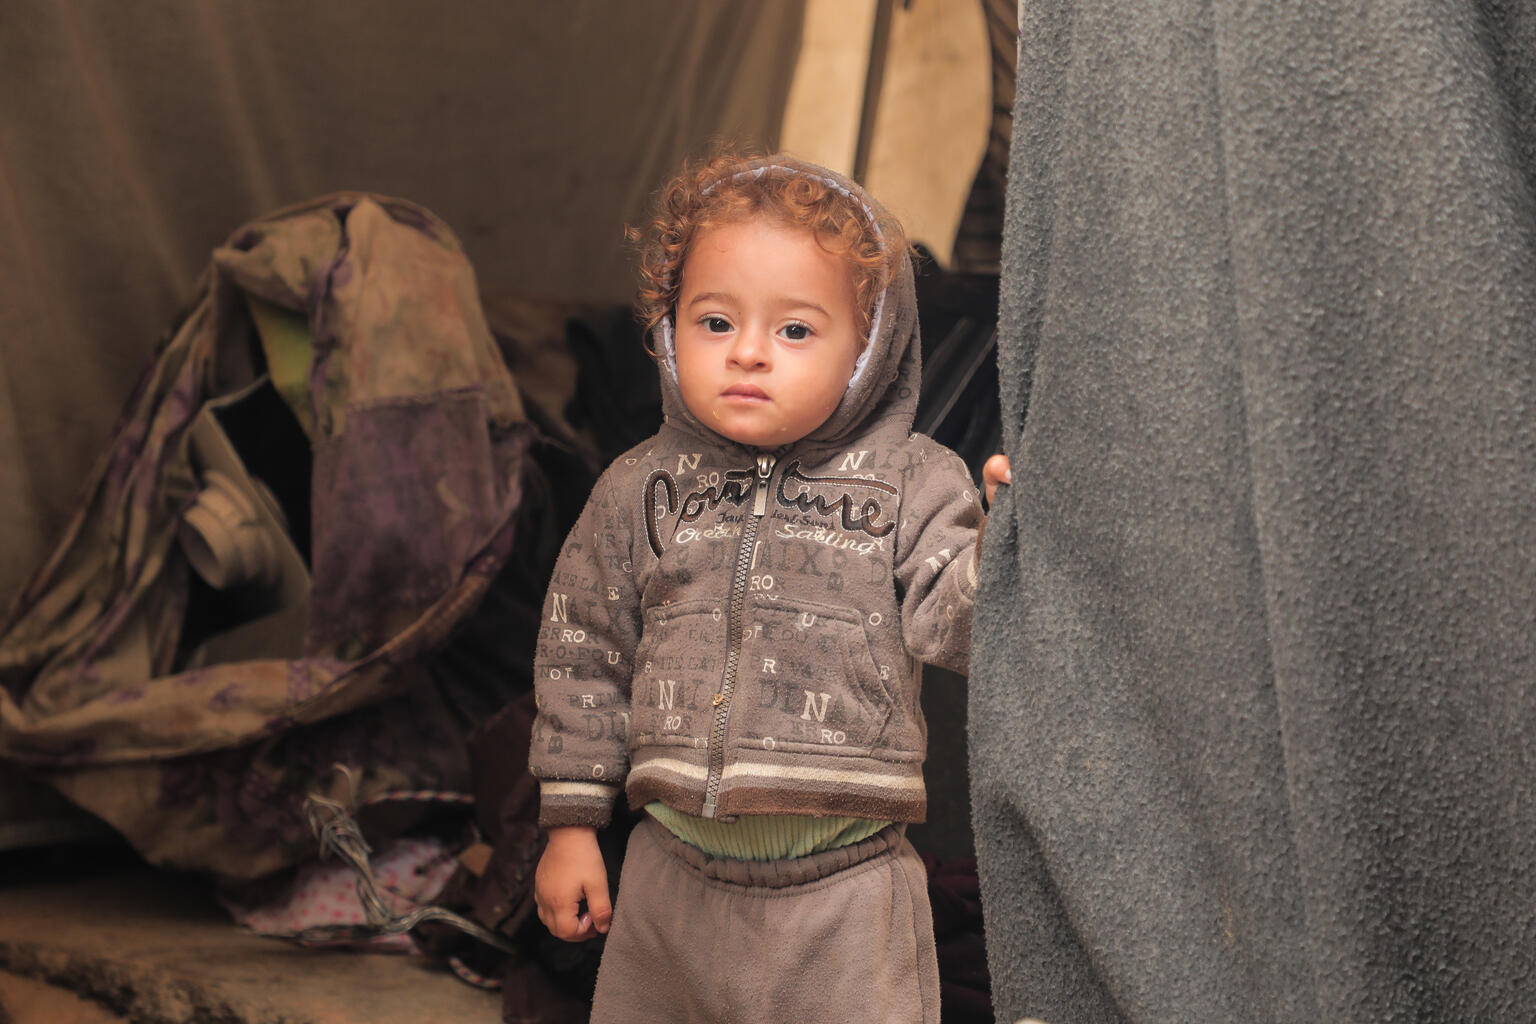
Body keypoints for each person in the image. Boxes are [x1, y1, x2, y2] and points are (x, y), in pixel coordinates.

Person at [529, 151, 1011, 1023]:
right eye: (715, 321)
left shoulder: (913, 481)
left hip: (847, 896)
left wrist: (1006, 541)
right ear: (667, 326)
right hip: (668, 881)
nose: (748, 353)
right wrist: (572, 829)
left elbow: (960, 625)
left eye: (795, 330)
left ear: (868, 350)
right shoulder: (637, 489)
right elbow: (583, 653)